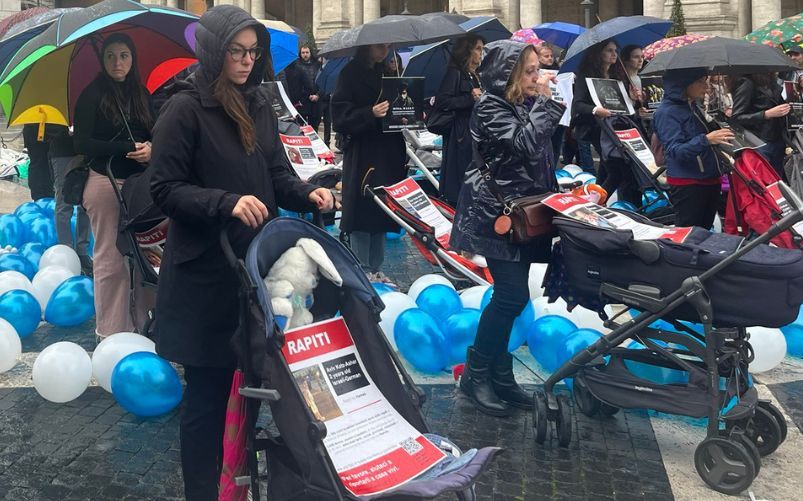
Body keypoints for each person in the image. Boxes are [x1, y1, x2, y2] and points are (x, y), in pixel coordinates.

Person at [149, 6, 334, 500]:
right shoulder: (183, 109)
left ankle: (241, 483)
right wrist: (225, 203)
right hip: (204, 278)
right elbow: (164, 188)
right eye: (237, 50)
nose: (247, 60)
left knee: (252, 387)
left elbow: (274, 173)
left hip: (253, 274)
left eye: (253, 51)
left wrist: (304, 191)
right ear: (214, 50)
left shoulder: (258, 104)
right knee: (207, 398)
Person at [450, 40, 562, 416]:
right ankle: (476, 377)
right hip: (494, 214)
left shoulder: (523, 104)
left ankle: (500, 376)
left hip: (524, 214)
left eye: (537, 70)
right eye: (529, 71)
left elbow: (544, 154)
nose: (537, 77)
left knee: (513, 298)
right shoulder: (490, 106)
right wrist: (546, 105)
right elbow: (524, 146)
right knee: (510, 296)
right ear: (509, 74)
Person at [73, 33, 154, 341]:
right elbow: (81, 142)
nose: (117, 62)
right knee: (110, 258)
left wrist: (151, 149)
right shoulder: (91, 95)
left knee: (144, 255)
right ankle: (111, 330)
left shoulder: (141, 94)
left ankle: (142, 322)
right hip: (105, 182)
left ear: (132, 60)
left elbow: (156, 130)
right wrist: (123, 146)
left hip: (139, 185)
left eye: (123, 55)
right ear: (102, 60)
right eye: (110, 56)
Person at [332, 44, 406, 283]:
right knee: (364, 211)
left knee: (382, 210)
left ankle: (376, 267)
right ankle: (363, 270)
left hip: (387, 153)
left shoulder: (387, 72)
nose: (385, 50)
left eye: (387, 45)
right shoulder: (350, 74)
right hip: (364, 156)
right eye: (379, 46)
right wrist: (369, 113)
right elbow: (341, 118)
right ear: (366, 47)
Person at [653, 69, 733, 228]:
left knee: (704, 231)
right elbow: (675, 151)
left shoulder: (693, 107)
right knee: (689, 234)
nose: (706, 86)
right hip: (689, 182)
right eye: (700, 81)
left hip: (709, 178)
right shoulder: (666, 112)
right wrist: (706, 139)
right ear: (684, 83)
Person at [434, 34, 483, 205]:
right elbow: (443, 101)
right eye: (478, 49)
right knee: (460, 177)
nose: (481, 53)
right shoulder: (454, 73)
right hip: (460, 135)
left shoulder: (475, 75)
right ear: (467, 51)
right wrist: (470, 98)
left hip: (475, 132)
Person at [48, 125, 93, 276]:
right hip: (63, 151)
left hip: (86, 151)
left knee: (85, 203)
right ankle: (67, 250)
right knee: (64, 202)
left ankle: (82, 251)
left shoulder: (86, 102)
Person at [730, 73, 790, 178]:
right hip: (759, 142)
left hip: (777, 139)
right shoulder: (747, 83)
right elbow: (737, 117)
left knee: (776, 182)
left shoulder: (771, 81)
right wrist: (766, 114)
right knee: (762, 182)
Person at [286, 44, 321, 129]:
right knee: (300, 126)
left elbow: (321, 80)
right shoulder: (296, 66)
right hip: (301, 101)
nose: (305, 54)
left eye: (307, 52)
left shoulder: (317, 65)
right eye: (303, 52)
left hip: (315, 100)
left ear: (310, 53)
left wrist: (318, 95)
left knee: (314, 126)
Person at [22, 124, 54, 201]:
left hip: (33, 130)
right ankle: (41, 193)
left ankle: (40, 192)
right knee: (40, 163)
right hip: (41, 131)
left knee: (39, 163)